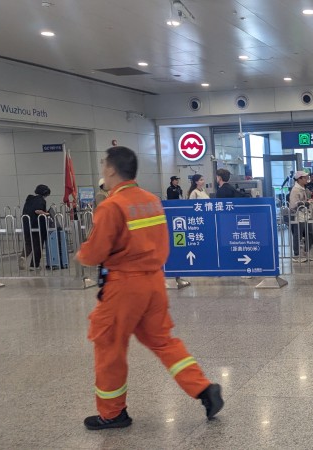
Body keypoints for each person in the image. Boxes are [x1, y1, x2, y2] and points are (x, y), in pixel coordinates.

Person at [76, 146, 223, 430]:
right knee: (163, 341)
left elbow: (94, 253)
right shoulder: (151, 200)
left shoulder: (111, 206)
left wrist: (80, 255)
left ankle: (112, 413)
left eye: (103, 164)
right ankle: (203, 389)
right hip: (154, 283)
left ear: (110, 170)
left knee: (109, 346)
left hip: (123, 286)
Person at [288, 171, 313, 262]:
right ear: (299, 179)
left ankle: (306, 251)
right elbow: (293, 205)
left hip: (305, 214)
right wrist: (305, 203)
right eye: (304, 178)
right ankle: (296, 255)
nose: (307, 179)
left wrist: (308, 200)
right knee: (298, 235)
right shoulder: (295, 190)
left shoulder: (303, 188)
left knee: (311, 233)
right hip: (298, 215)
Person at [20, 184, 51, 270]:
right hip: (36, 226)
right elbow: (37, 211)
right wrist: (47, 214)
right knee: (37, 245)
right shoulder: (41, 200)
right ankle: (34, 265)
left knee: (28, 243)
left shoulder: (29, 199)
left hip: (27, 225)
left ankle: (23, 257)